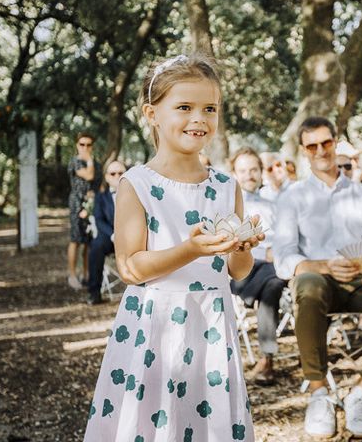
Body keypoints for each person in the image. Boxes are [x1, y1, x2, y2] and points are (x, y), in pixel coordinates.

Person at [84, 54, 260, 441]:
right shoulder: (137, 184)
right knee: (153, 422)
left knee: (207, 419)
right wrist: (191, 249)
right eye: (185, 107)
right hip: (154, 326)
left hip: (211, 323)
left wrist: (243, 247)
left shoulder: (227, 187)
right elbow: (130, 267)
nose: (199, 119)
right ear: (152, 113)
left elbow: (237, 271)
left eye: (209, 109)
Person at [273, 116, 362, 439]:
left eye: (326, 142)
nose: (321, 151)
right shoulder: (291, 198)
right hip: (318, 283)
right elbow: (283, 259)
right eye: (313, 146)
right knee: (307, 284)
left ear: (335, 142)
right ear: (304, 151)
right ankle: (319, 392)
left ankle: (360, 393)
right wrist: (324, 266)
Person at [230, 147, 287, 385]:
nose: (248, 175)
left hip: (272, 271)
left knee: (273, 286)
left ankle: (267, 360)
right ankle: (267, 359)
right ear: (234, 173)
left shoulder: (274, 205)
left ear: (261, 172)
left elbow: (284, 242)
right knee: (274, 280)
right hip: (242, 271)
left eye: (253, 169)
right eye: (242, 170)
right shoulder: (228, 206)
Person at [86, 160, 126, 305]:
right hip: (110, 238)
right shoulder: (101, 197)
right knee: (96, 247)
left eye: (121, 173)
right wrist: (113, 235)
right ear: (107, 177)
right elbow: (99, 219)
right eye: (113, 173)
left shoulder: (135, 194)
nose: (117, 176)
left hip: (132, 237)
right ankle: (94, 293)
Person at [67, 133, 102, 290]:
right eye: (82, 144)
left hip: (91, 204)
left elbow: (99, 183)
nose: (85, 148)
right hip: (77, 204)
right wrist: (89, 160)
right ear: (77, 145)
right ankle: (72, 275)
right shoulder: (75, 162)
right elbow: (89, 175)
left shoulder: (96, 163)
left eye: (88, 145)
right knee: (76, 239)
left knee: (89, 241)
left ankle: (86, 273)